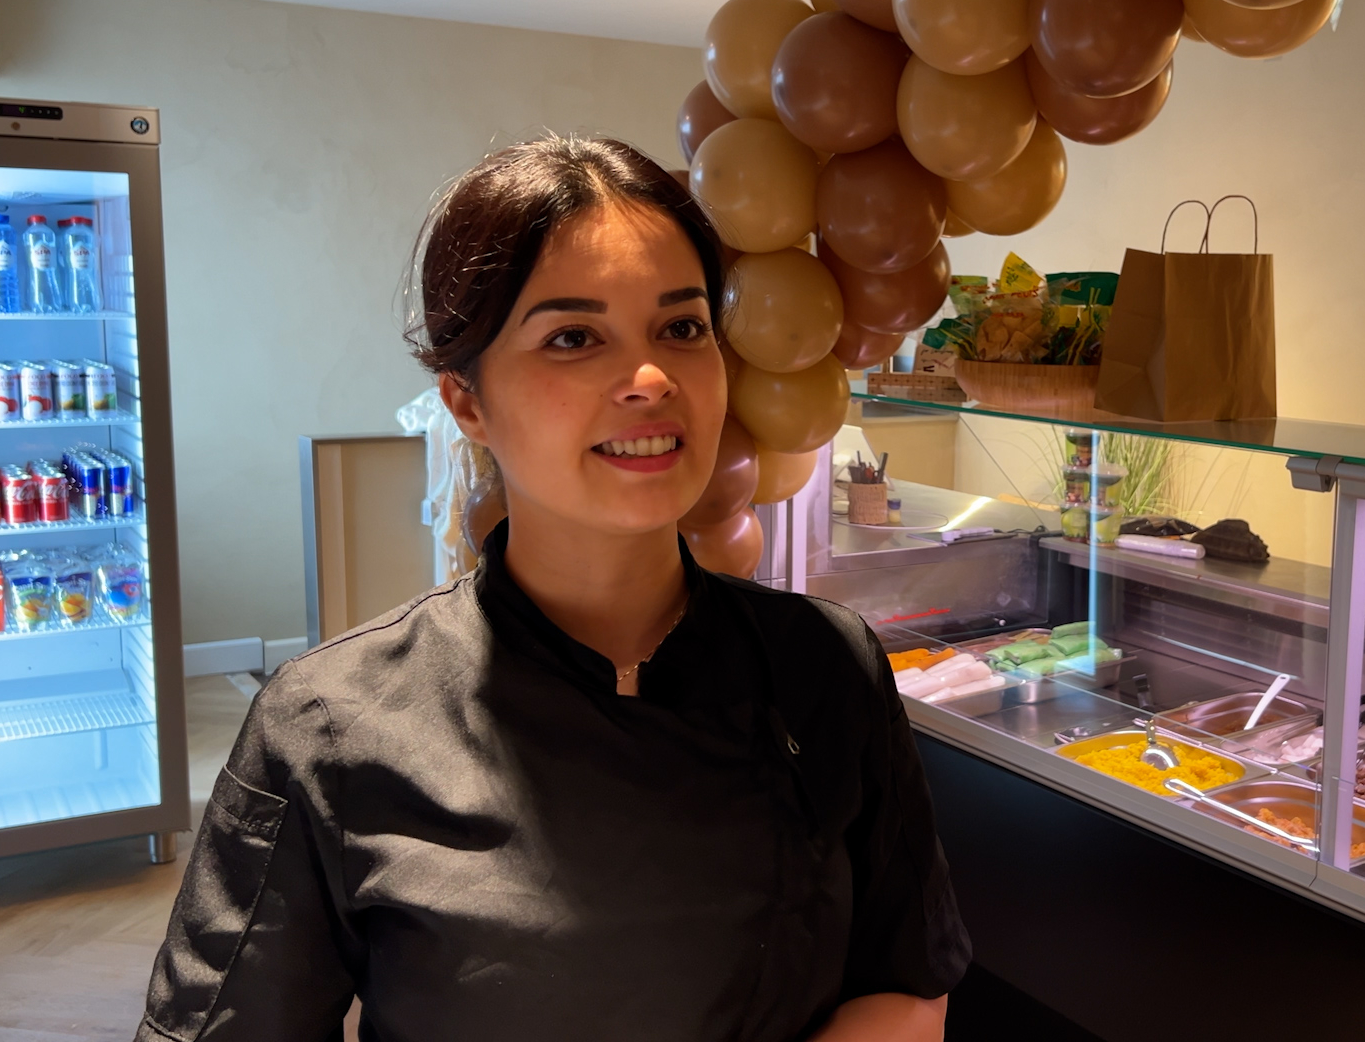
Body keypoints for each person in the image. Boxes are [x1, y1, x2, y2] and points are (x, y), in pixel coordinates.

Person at [137, 136, 970, 1041]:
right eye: (573, 337)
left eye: (683, 328)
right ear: (468, 400)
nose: (651, 379)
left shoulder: (826, 665)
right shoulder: (330, 729)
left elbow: (906, 981)